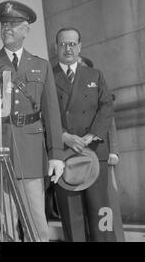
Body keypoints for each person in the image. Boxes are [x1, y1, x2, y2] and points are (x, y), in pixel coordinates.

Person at [0, 1, 65, 242]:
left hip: (31, 154)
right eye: (4, 24)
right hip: (0, 151)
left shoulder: (41, 66)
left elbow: (51, 114)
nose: (7, 28)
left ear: (25, 29)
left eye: (13, 24)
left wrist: (56, 155)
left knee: (37, 225)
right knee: (6, 227)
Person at [53, 27, 116, 241]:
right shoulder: (47, 77)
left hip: (94, 152)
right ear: (56, 47)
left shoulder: (95, 75)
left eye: (72, 43)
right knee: (72, 218)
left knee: (101, 212)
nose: (68, 48)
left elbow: (106, 107)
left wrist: (90, 136)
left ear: (80, 46)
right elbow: (42, 114)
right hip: (64, 155)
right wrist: (63, 136)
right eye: (63, 44)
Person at [79, 56, 125, 241]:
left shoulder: (100, 91)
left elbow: (110, 124)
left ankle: (114, 238)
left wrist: (114, 150)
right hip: (80, 157)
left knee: (107, 203)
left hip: (102, 155)